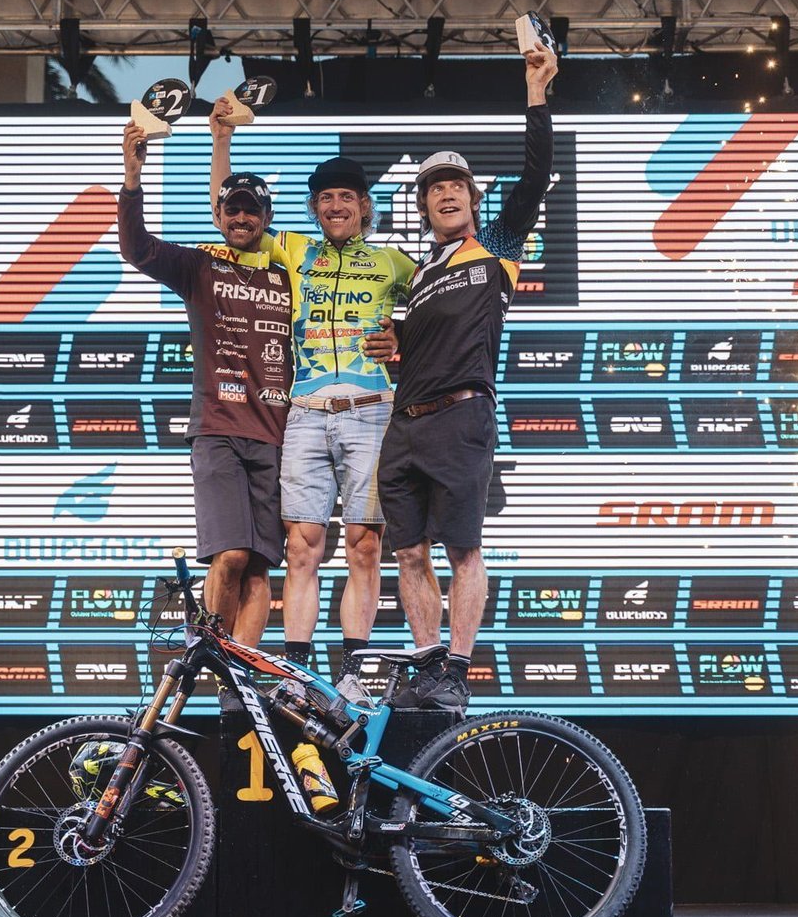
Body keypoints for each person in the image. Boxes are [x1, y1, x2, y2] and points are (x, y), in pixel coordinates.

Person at [209, 101, 411, 704]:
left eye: (347, 197)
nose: (336, 206)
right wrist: (221, 140)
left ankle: (353, 671)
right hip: (304, 412)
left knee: (366, 544)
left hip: (372, 410)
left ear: (365, 207)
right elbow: (228, 213)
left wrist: (404, 334)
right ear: (314, 208)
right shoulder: (295, 250)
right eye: (325, 198)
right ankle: (296, 671)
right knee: (301, 546)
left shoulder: (394, 261)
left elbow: (442, 311)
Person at [378, 45, 559, 713]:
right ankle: (428, 665)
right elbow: (416, 348)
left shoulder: (498, 248)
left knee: (463, 550)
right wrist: (392, 344)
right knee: (408, 554)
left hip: (462, 416)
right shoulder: (419, 274)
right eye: (434, 188)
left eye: (456, 184)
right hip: (404, 425)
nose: (447, 192)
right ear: (423, 206)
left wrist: (536, 92)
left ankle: (456, 670)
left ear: (473, 199)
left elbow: (534, 178)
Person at [116, 121, 293, 655]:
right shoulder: (200, 264)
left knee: (259, 568)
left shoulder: (291, 273)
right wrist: (132, 177)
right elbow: (137, 249)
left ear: (267, 219)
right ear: (217, 217)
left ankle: (240, 680)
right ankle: (210, 655)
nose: (240, 217)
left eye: (251, 210)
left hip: (279, 435)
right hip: (218, 429)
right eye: (231, 209)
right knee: (231, 555)